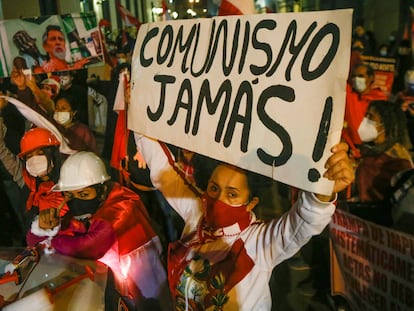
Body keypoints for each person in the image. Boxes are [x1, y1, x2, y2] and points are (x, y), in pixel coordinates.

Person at [133, 132, 354, 310]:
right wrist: (141, 117)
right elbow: (165, 171)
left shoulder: (259, 243)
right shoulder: (198, 215)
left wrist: (323, 189)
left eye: (232, 194)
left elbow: (304, 221)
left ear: (250, 203)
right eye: (213, 188)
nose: (219, 200)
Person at [26, 151, 170, 310]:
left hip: (144, 291)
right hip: (114, 291)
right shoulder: (88, 210)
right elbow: (35, 242)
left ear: (102, 191)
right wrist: (43, 227)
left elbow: (88, 247)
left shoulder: (122, 207)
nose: (76, 201)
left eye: (84, 194)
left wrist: (50, 238)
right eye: (69, 195)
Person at [349, 100, 413, 226]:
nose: (365, 121)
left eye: (371, 117)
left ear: (386, 125)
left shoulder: (398, 163)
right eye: (366, 115)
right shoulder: (368, 152)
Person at [342, 63, 388, 156]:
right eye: (354, 76)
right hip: (349, 148)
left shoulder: (380, 100)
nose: (356, 79)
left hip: (371, 151)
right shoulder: (349, 95)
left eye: (360, 76)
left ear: (371, 78)